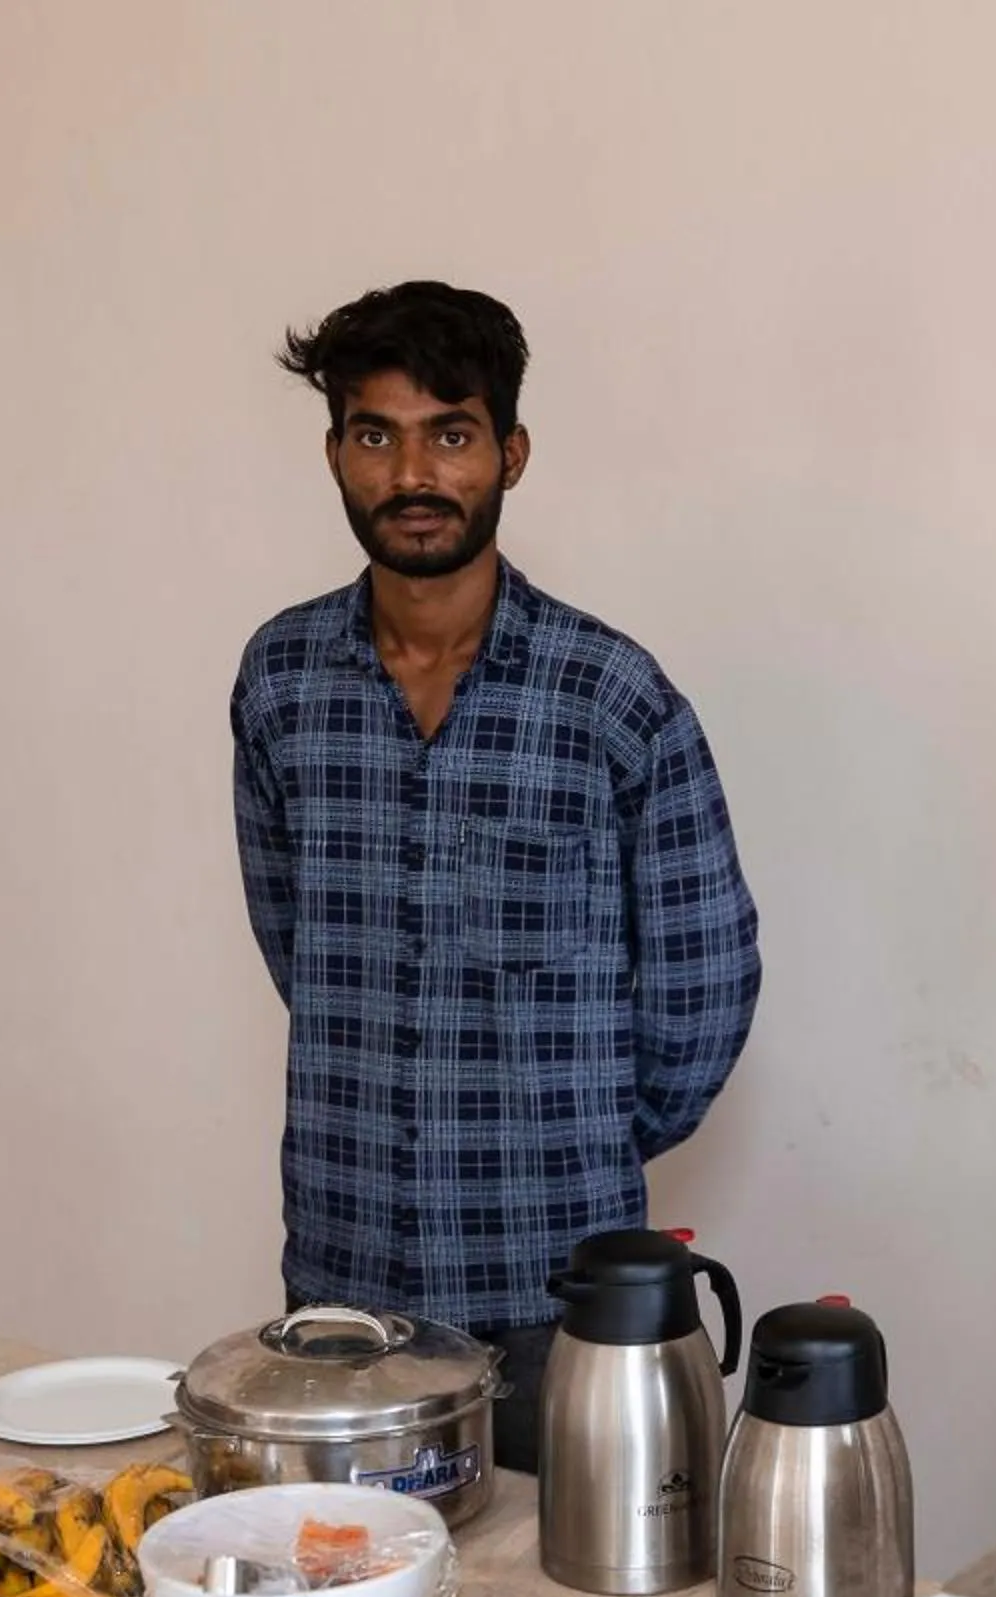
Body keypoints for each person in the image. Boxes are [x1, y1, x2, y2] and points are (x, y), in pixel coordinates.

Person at [232, 281, 760, 1475]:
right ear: (336, 455)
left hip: (556, 1297)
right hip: (340, 1285)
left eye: (451, 433)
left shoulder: (611, 698)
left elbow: (705, 978)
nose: (413, 472)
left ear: (510, 454)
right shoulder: (281, 684)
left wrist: (571, 1133)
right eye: (378, 434)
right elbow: (293, 939)